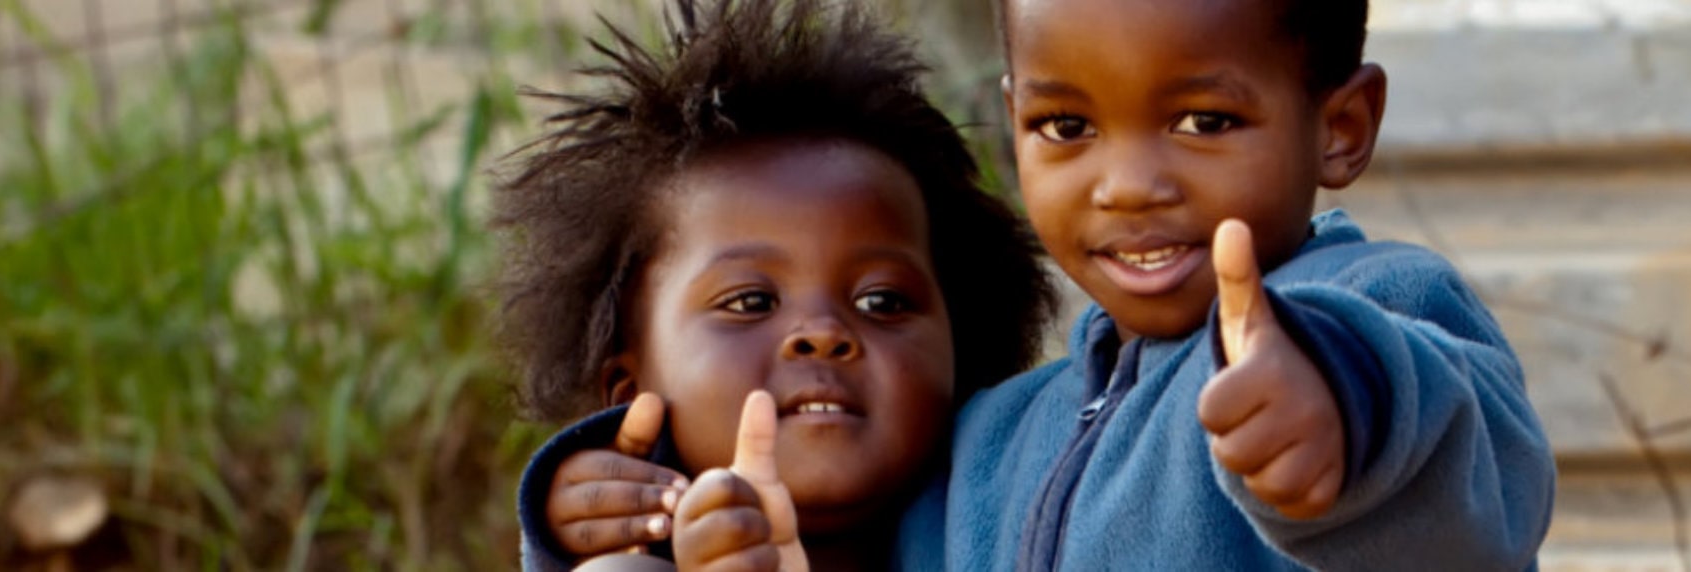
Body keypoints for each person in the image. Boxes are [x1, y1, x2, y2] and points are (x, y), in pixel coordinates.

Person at [889, 0, 1557, 569]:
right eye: (1067, 127)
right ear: (1015, 123)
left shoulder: (1372, 309)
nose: (1126, 187)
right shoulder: (992, 439)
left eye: (1203, 122)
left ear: (1341, 126)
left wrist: (1342, 405)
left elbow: (1487, 485)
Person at [490, 0, 1054, 569]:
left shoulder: (1019, 508)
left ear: (959, 347)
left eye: (881, 301)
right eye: (751, 302)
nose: (823, 334)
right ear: (629, 394)